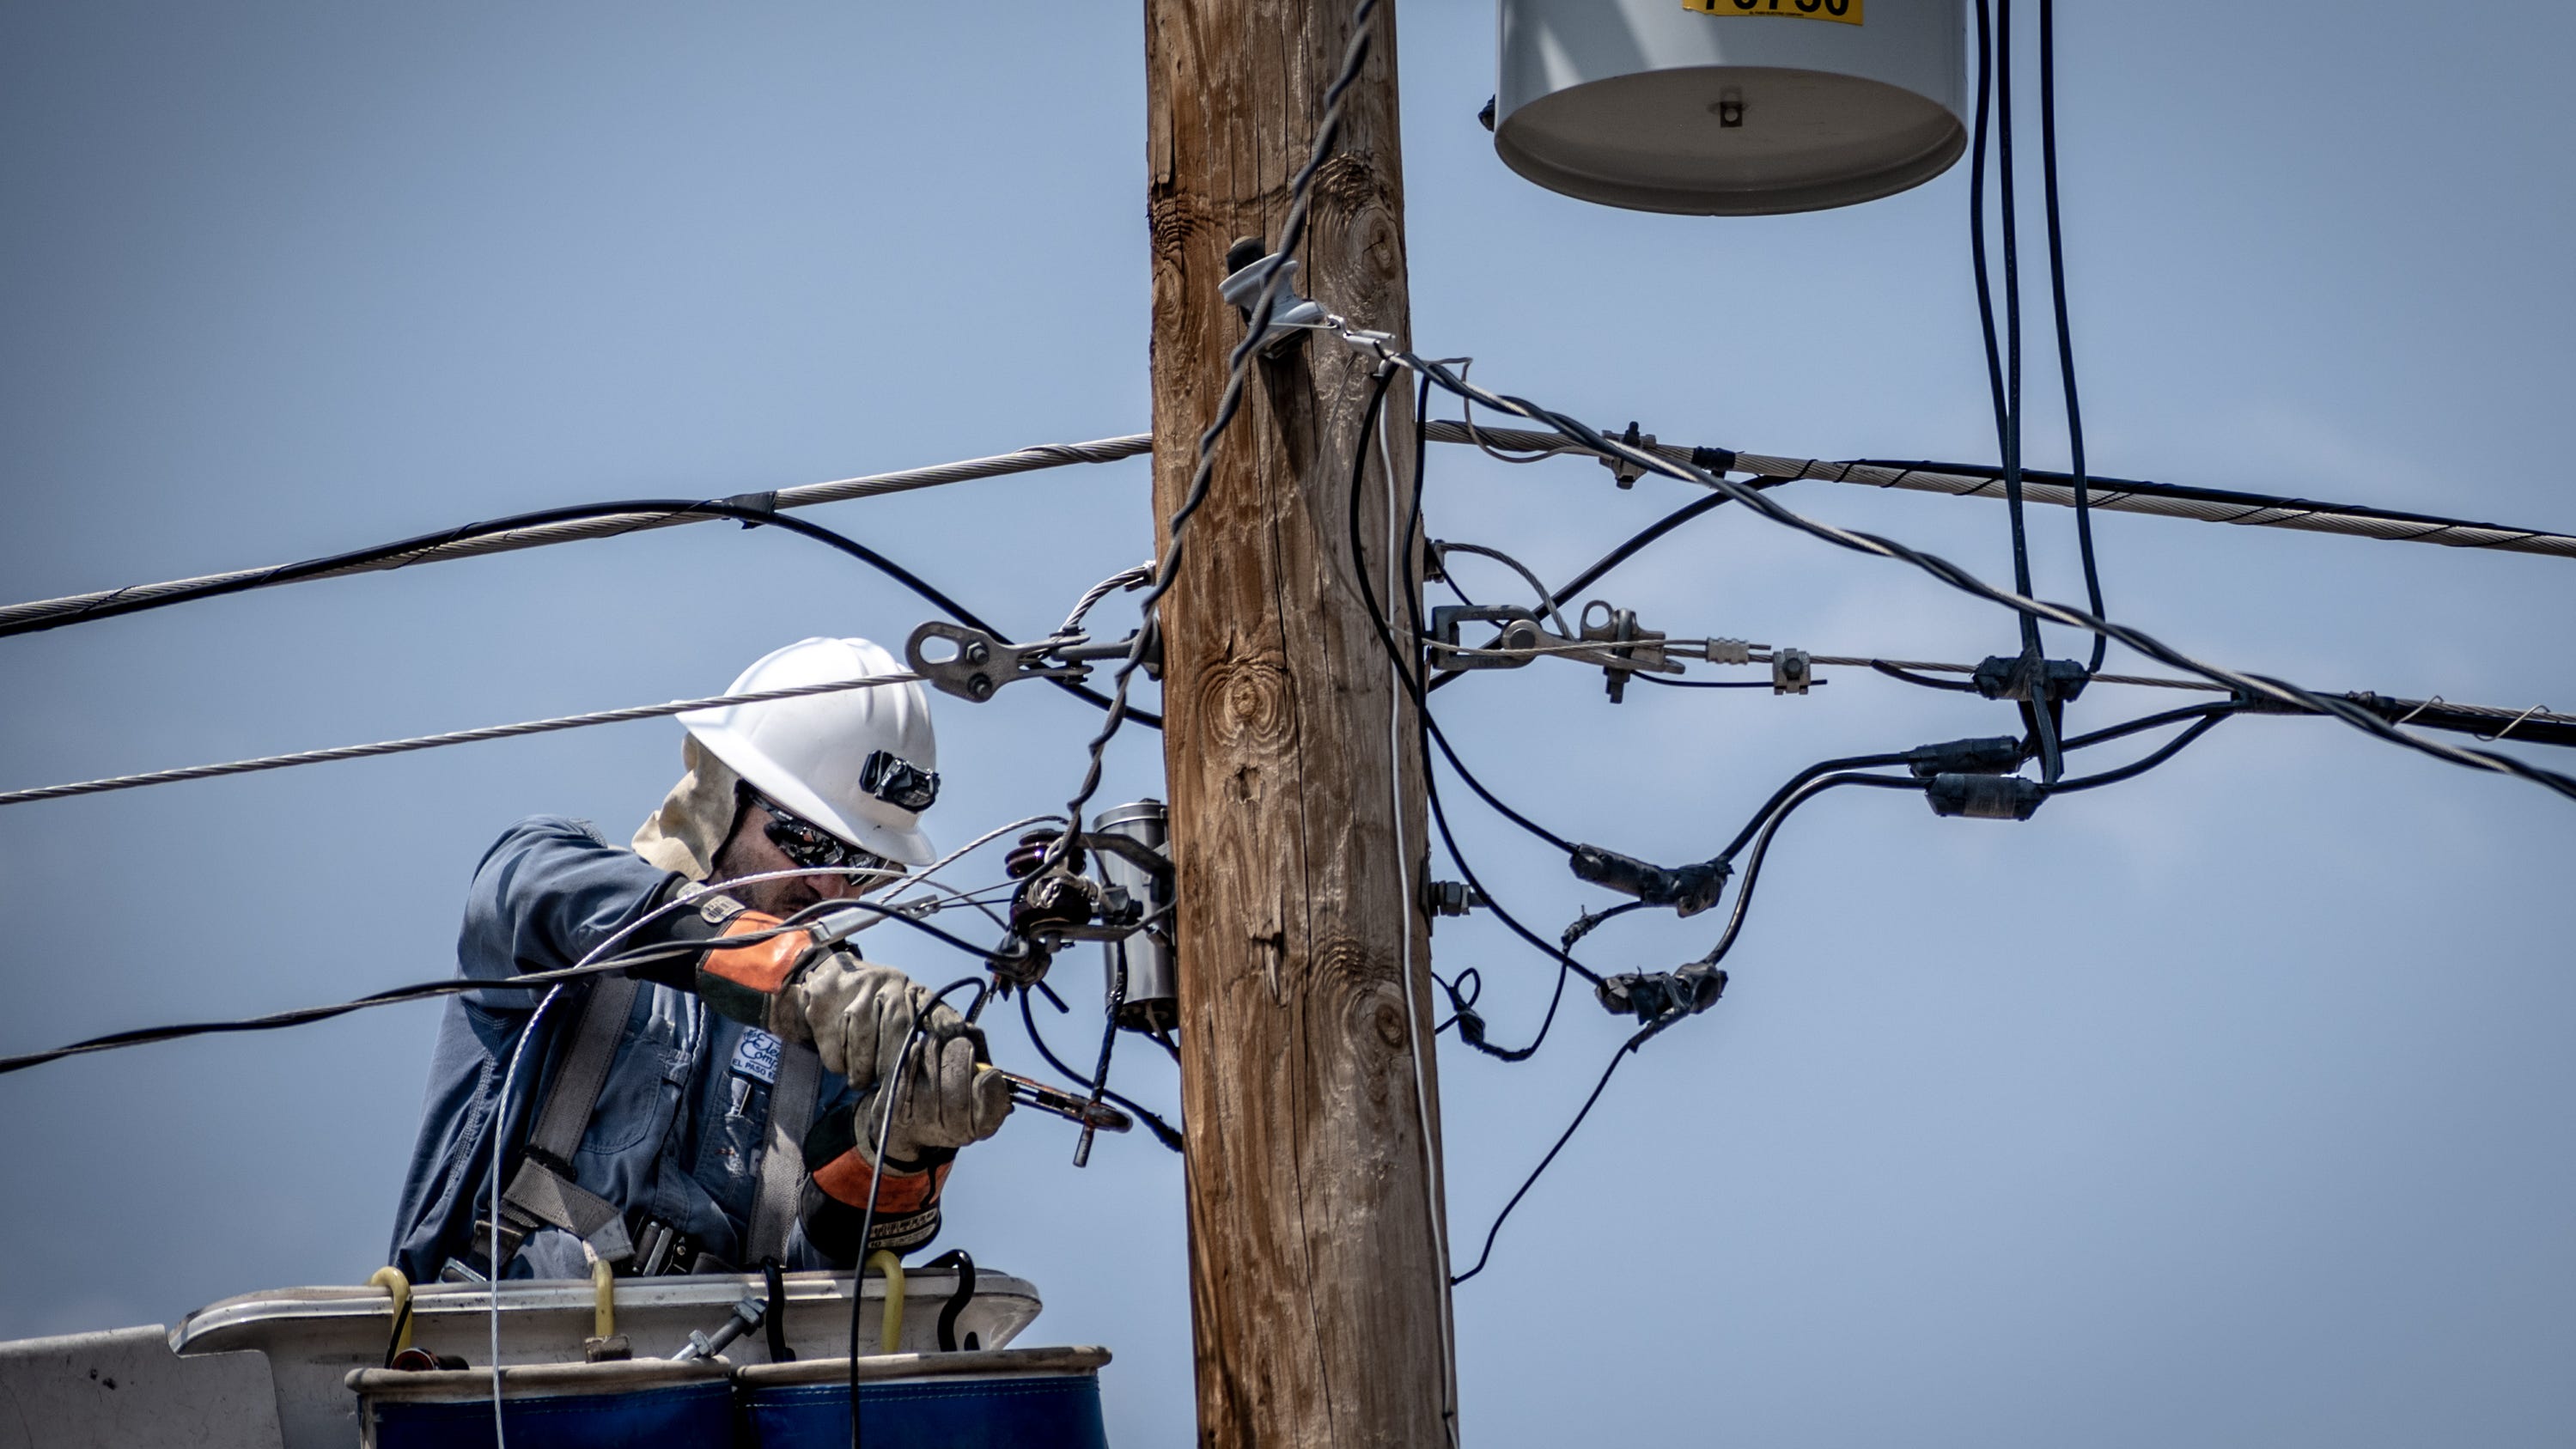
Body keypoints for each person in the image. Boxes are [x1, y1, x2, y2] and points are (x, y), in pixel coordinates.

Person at [387, 636, 1011, 1283]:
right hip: (499, 1358)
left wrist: (901, 1152)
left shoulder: (831, 1041)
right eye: (810, 842)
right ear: (719, 798)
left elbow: (825, 1283)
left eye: (863, 866)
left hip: (715, 1370)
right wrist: (796, 973)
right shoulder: (560, 899)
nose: (833, 887)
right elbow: (529, 889)